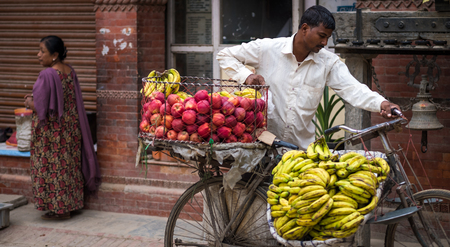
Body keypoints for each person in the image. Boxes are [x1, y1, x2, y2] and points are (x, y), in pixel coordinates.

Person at [216, 5, 403, 150]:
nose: (324, 42)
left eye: (327, 37)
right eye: (321, 35)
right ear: (305, 28)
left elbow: (353, 89)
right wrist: (247, 76)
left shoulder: (328, 63)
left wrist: (382, 103)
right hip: (262, 142)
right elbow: (224, 55)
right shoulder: (268, 49)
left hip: (300, 150)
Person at [24, 36, 101, 220]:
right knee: (68, 167)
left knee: (51, 168)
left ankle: (58, 210)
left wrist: (29, 102)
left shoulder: (47, 74)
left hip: (51, 133)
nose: (38, 55)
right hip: (70, 130)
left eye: (42, 51)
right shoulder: (70, 72)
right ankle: (69, 206)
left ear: (55, 55)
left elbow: (41, 108)